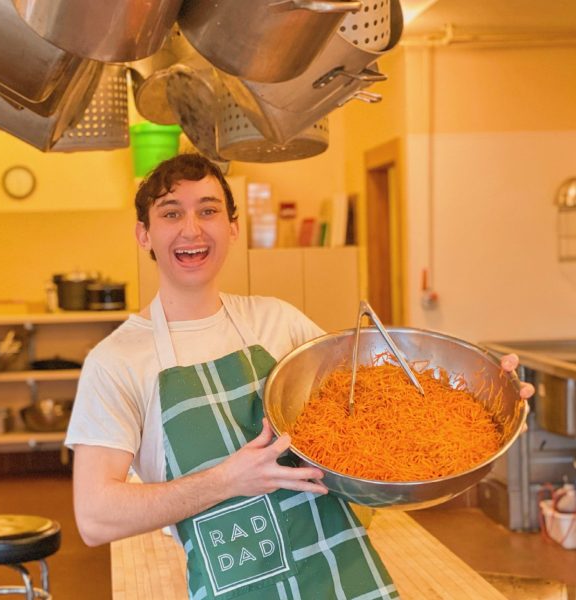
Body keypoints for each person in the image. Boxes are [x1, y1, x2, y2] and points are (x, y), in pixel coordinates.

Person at [66, 153, 534, 600]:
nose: (191, 229)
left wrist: (487, 406)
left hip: (335, 570)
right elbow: (95, 517)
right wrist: (227, 479)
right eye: (170, 214)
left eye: (207, 210)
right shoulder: (117, 360)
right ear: (143, 235)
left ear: (232, 228)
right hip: (233, 575)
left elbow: (381, 410)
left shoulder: (279, 323)